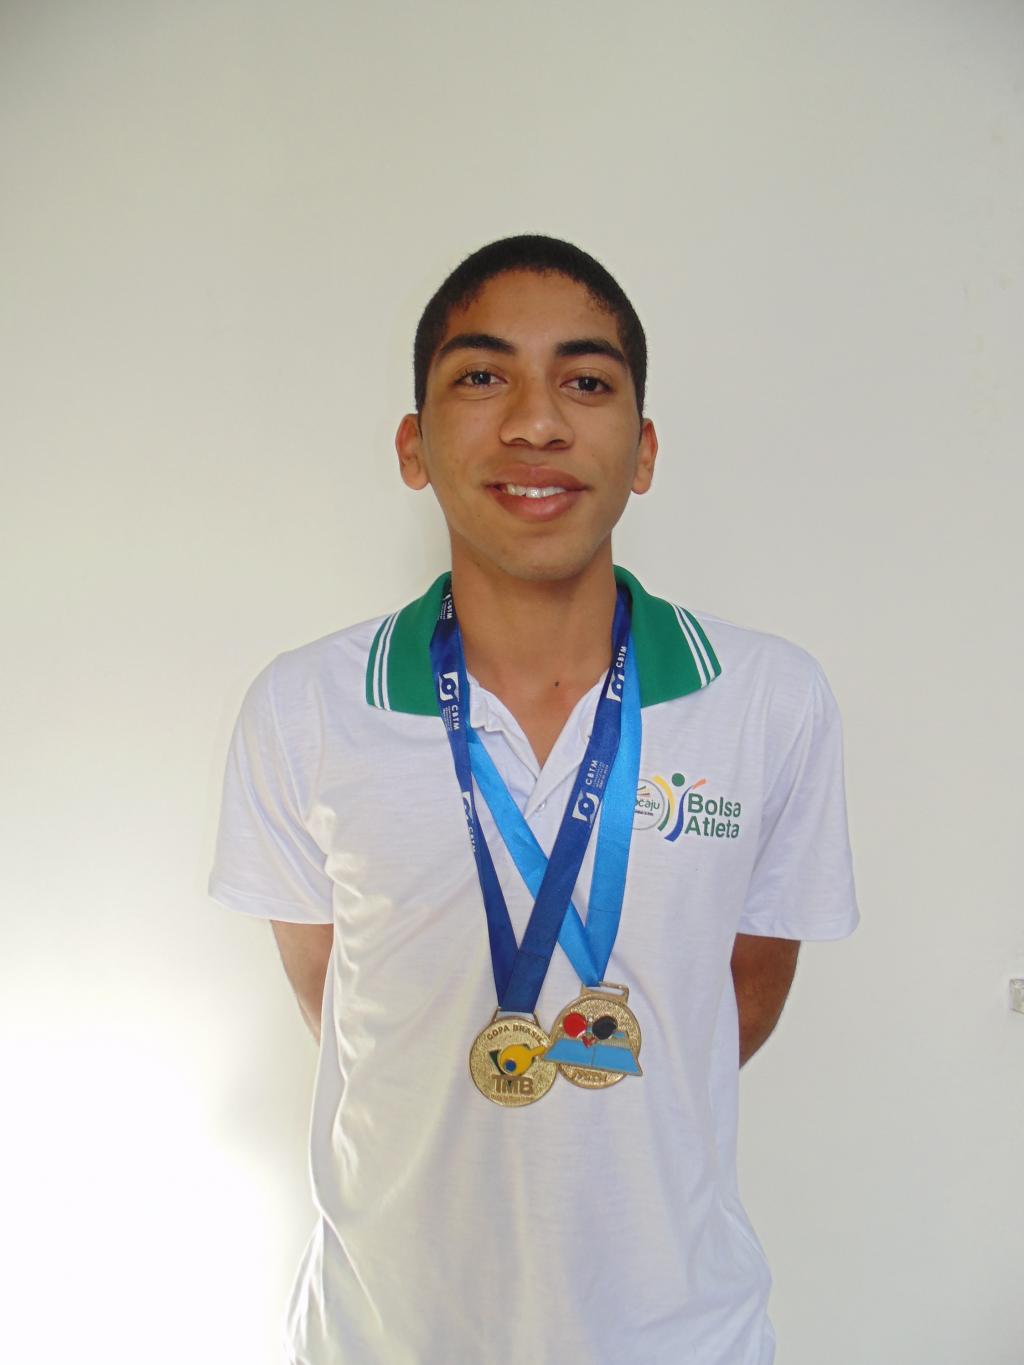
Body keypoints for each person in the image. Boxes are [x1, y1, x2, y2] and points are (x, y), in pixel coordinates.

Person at [208, 233, 859, 1365]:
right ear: (413, 445)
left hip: (681, 1338)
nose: (536, 422)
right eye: (481, 376)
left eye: (586, 382)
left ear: (642, 450)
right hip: (387, 1339)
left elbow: (737, 998)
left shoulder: (767, 701)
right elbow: (346, 1003)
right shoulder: (306, 707)